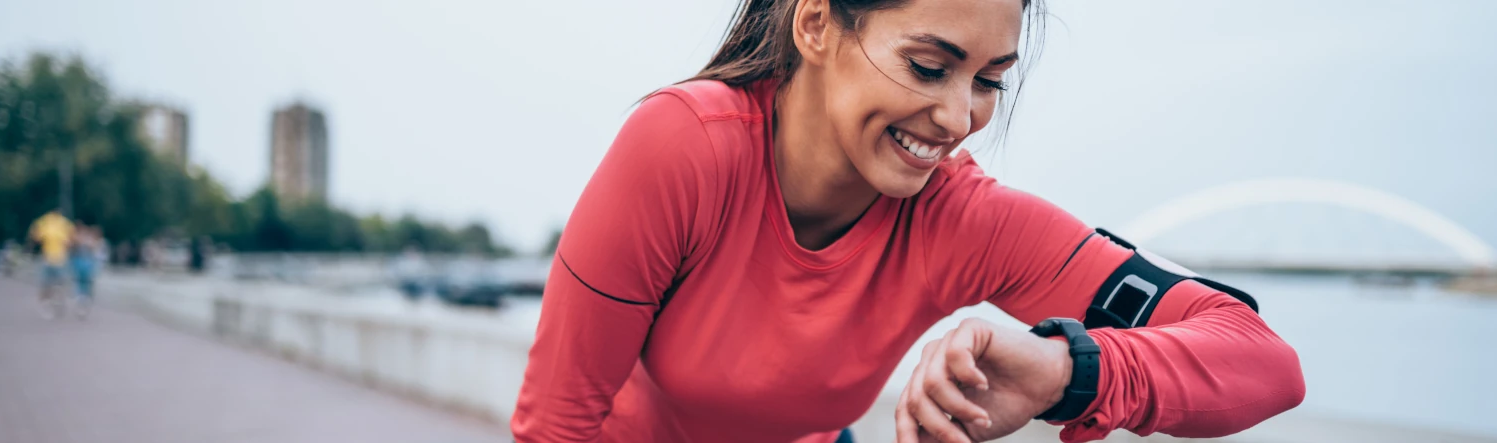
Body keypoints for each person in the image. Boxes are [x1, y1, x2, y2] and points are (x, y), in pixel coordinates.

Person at [510, 0, 1305, 442]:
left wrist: (1068, 369)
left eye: (989, 81)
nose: (959, 117)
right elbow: (554, 425)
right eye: (930, 66)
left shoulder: (966, 221)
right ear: (816, 23)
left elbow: (1262, 360)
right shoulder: (683, 146)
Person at [28, 210, 75, 318]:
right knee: (54, 284)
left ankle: (53, 302)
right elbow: (71, 240)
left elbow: (35, 236)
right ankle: (53, 302)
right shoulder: (60, 222)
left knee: (52, 284)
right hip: (55, 258)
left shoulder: (46, 221)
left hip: (54, 258)